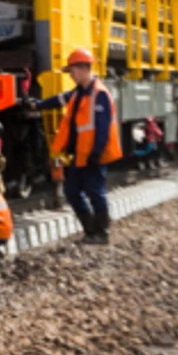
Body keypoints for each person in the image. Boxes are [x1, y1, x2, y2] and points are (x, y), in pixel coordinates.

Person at [29, 48, 121, 245]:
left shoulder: (99, 94)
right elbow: (59, 100)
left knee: (96, 193)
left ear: (83, 68)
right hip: (81, 154)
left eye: (72, 71)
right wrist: (38, 104)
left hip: (93, 155)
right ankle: (90, 231)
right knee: (72, 192)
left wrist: (95, 154)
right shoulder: (79, 93)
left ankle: (101, 233)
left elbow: (102, 129)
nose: (70, 75)